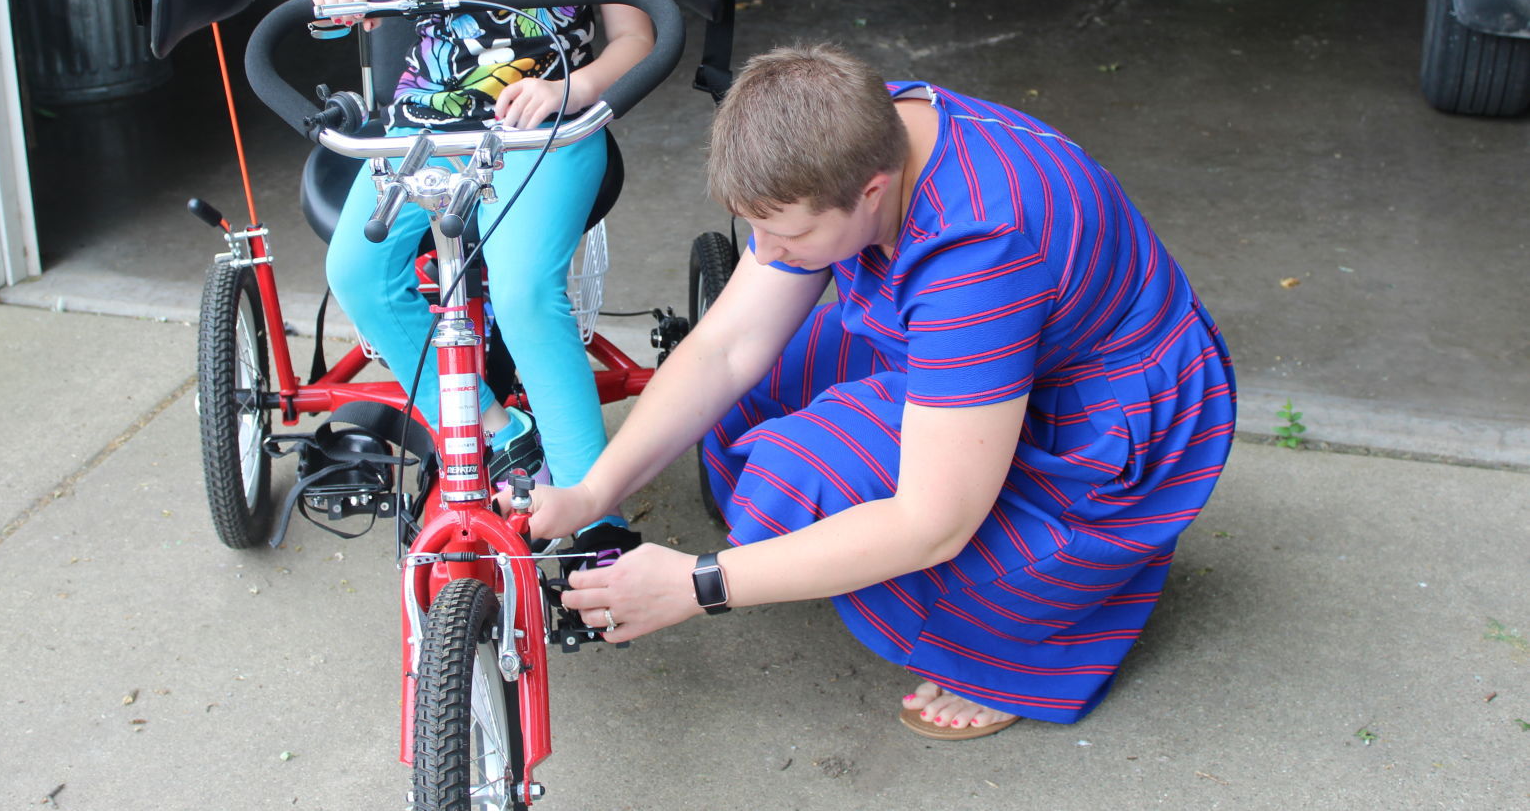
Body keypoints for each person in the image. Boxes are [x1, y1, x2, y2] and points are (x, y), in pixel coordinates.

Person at [525, 42, 1237, 737]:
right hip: (985, 340)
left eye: (786, 234)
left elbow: (934, 521)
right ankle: (817, 550)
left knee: (803, 471)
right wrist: (593, 491)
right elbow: (726, 346)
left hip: (1103, 423)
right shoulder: (859, 128)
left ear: (870, 191)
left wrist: (699, 585)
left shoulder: (979, 249)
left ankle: (1015, 641)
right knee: (753, 386)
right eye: (755, 228)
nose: (765, 254)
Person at [302, 0, 652, 552]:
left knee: (530, 292)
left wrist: (568, 87)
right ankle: (500, 431)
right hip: (425, 130)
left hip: (551, 129)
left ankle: (592, 511)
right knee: (359, 275)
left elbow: (635, 34)